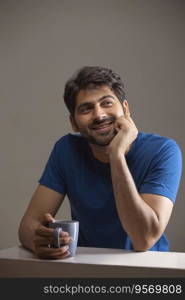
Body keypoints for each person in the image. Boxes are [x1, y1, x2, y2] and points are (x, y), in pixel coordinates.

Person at [18, 66, 182, 259]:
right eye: (86, 109)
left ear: (126, 109)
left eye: (107, 103)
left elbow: (143, 239)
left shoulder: (163, 150)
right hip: (88, 269)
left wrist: (116, 156)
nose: (99, 115)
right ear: (73, 122)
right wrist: (38, 241)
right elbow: (28, 226)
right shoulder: (66, 150)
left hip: (148, 269)